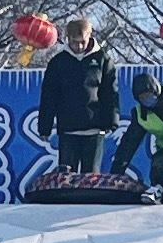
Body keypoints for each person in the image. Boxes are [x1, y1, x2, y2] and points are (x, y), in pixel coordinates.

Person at [36, 17, 119, 175]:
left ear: (90, 37)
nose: (79, 46)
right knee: (66, 177)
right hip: (68, 129)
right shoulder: (58, 62)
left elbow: (110, 93)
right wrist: (44, 126)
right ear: (68, 39)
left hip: (95, 129)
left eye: (83, 41)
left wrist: (111, 120)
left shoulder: (102, 60)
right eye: (75, 42)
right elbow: (49, 96)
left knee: (91, 178)